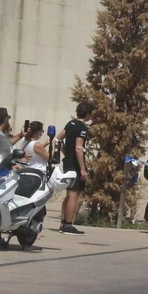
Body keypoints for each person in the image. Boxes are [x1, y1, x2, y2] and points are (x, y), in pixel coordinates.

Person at [59, 100, 93, 235]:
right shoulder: (82, 128)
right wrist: (83, 169)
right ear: (88, 114)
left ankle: (63, 223)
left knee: (68, 194)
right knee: (74, 194)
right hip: (75, 165)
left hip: (68, 163)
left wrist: (65, 153)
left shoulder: (70, 124)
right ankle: (68, 225)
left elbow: (57, 140)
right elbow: (79, 148)